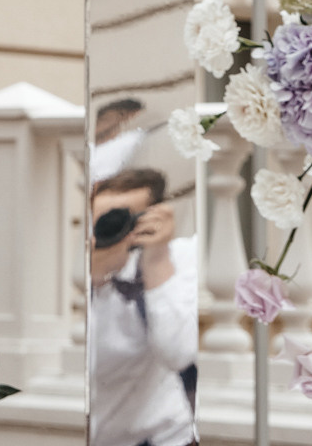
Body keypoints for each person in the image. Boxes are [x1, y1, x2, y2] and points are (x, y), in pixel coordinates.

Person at [89, 167, 199, 446]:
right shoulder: (73, 271)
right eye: (101, 222)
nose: (111, 229)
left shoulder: (181, 257)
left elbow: (177, 354)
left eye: (123, 219)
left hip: (167, 437)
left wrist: (157, 261)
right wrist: (95, 278)